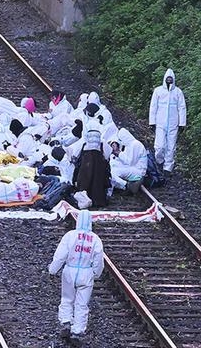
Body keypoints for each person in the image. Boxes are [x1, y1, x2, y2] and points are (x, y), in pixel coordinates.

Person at [48, 209, 105, 343]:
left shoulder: (70, 236)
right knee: (82, 304)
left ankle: (66, 322)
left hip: (70, 271)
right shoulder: (95, 239)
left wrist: (53, 270)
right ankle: (77, 331)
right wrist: (96, 273)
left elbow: (60, 255)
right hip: (86, 272)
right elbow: (98, 260)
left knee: (67, 298)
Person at [148, 68, 187, 173]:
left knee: (171, 147)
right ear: (164, 79)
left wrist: (182, 123)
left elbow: (182, 108)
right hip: (160, 123)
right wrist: (152, 122)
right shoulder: (158, 91)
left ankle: (167, 168)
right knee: (159, 146)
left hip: (173, 124)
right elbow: (153, 107)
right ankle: (159, 161)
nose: (169, 80)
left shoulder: (178, 92)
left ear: (173, 79)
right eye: (167, 78)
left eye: (171, 78)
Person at [72, 129, 111, 209]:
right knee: (98, 182)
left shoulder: (84, 145)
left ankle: (85, 199)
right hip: (99, 171)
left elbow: (75, 156)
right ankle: (98, 200)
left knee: (85, 181)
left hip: (85, 170)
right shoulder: (102, 145)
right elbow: (107, 157)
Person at [109, 128, 148, 192]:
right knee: (113, 166)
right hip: (132, 168)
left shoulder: (135, 144)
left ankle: (127, 186)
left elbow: (130, 162)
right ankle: (125, 185)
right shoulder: (129, 145)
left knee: (113, 173)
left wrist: (119, 153)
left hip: (138, 170)